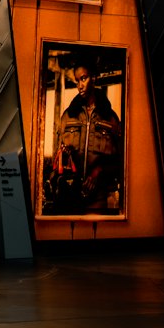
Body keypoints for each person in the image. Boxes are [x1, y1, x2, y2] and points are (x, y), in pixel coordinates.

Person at [45, 60, 122, 216]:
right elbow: (58, 159)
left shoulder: (111, 118)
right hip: (69, 198)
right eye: (77, 80)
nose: (79, 85)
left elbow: (121, 162)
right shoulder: (68, 116)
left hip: (99, 200)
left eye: (83, 78)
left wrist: (99, 171)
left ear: (94, 78)